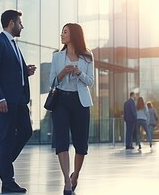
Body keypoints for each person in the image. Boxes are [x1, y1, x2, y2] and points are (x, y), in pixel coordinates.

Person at [0, 9, 37, 193]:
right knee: (7, 137)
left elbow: (12, 70)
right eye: (20, 22)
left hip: (20, 99)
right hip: (5, 99)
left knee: (26, 131)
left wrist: (26, 71)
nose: (22, 25)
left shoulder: (14, 45)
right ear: (11, 23)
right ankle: (8, 181)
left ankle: (2, 166)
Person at [49, 23, 94, 195]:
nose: (62, 35)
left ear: (74, 35)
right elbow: (52, 82)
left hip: (80, 102)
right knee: (61, 140)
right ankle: (67, 182)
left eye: (65, 32)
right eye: (62, 32)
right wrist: (62, 73)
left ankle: (75, 177)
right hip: (60, 101)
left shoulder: (88, 57)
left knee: (80, 143)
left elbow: (91, 81)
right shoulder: (57, 57)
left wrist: (77, 72)